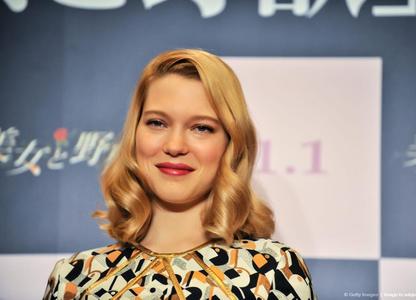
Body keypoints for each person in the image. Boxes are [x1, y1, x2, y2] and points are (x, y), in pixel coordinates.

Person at [43, 49, 316, 300]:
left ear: (230, 143)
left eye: (201, 128)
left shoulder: (272, 272)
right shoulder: (76, 277)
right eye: (157, 123)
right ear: (135, 135)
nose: (174, 146)